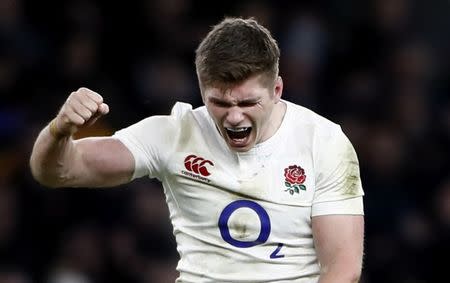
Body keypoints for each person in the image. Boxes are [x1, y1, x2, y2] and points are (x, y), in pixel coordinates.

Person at [30, 17, 365, 283]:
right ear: (202, 89)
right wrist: (59, 130)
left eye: (248, 102)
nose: (234, 117)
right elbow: (57, 171)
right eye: (219, 102)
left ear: (277, 89)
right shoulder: (173, 134)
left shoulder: (323, 142)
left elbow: (342, 270)